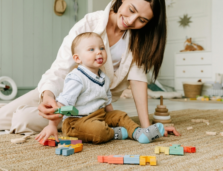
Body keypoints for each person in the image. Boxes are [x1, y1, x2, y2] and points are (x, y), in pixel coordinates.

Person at [0, 0, 180, 137]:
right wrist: (47, 96)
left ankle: (81, 123)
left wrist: (146, 127)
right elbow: (60, 68)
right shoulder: (89, 23)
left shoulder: (139, 41)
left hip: (92, 105)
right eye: (131, 10)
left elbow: (138, 82)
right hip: (64, 89)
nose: (131, 21)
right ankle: (57, 116)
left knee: (23, 120)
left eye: (142, 20)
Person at [35, 32, 170, 144]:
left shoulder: (104, 77)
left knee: (121, 115)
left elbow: (107, 101)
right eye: (92, 50)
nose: (99, 52)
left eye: (102, 48)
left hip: (99, 115)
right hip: (77, 122)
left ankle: (138, 132)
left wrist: (113, 118)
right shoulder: (76, 78)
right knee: (98, 131)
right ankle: (116, 133)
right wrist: (52, 126)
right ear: (77, 58)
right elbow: (62, 104)